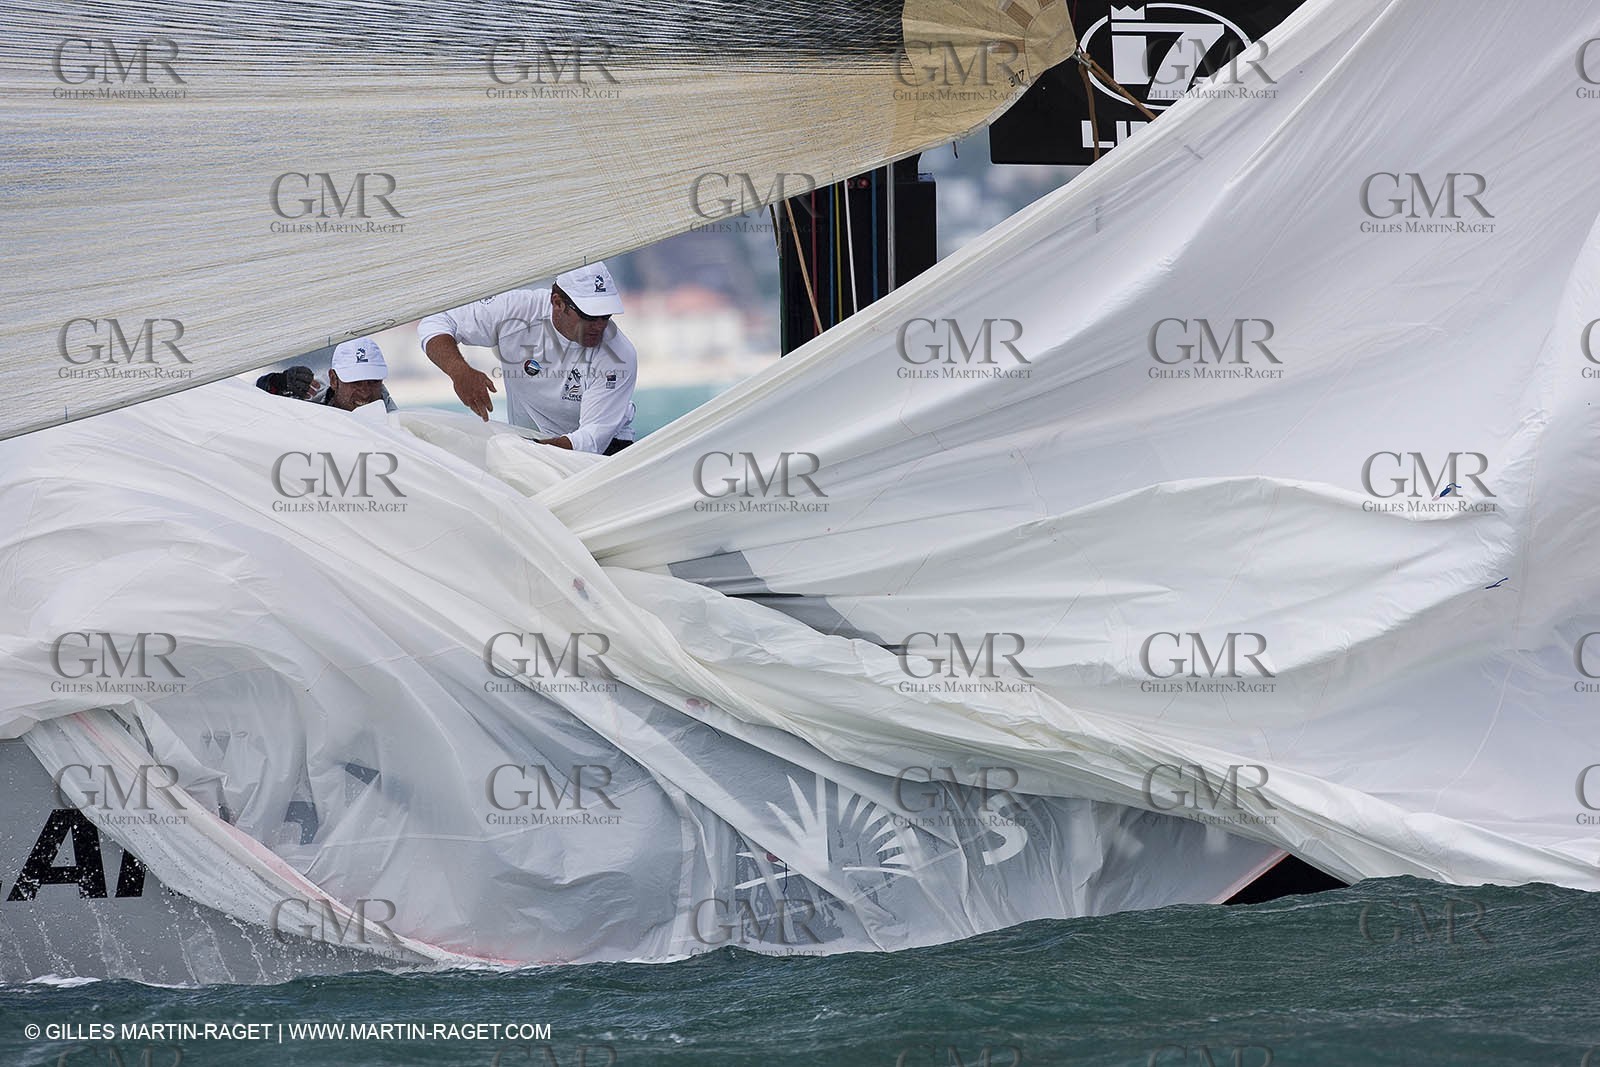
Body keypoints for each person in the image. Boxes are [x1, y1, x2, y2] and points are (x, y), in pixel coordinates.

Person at [418, 261, 637, 455]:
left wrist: (526, 449)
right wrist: (459, 371)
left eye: (605, 316)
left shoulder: (618, 355)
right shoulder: (515, 310)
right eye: (589, 316)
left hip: (605, 449)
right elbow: (436, 321)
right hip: (532, 444)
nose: (599, 326)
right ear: (557, 303)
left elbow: (590, 441)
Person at [320, 337, 396, 412]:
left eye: (374, 381)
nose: (365, 394)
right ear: (333, 380)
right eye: (355, 382)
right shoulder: (312, 410)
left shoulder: (397, 418)